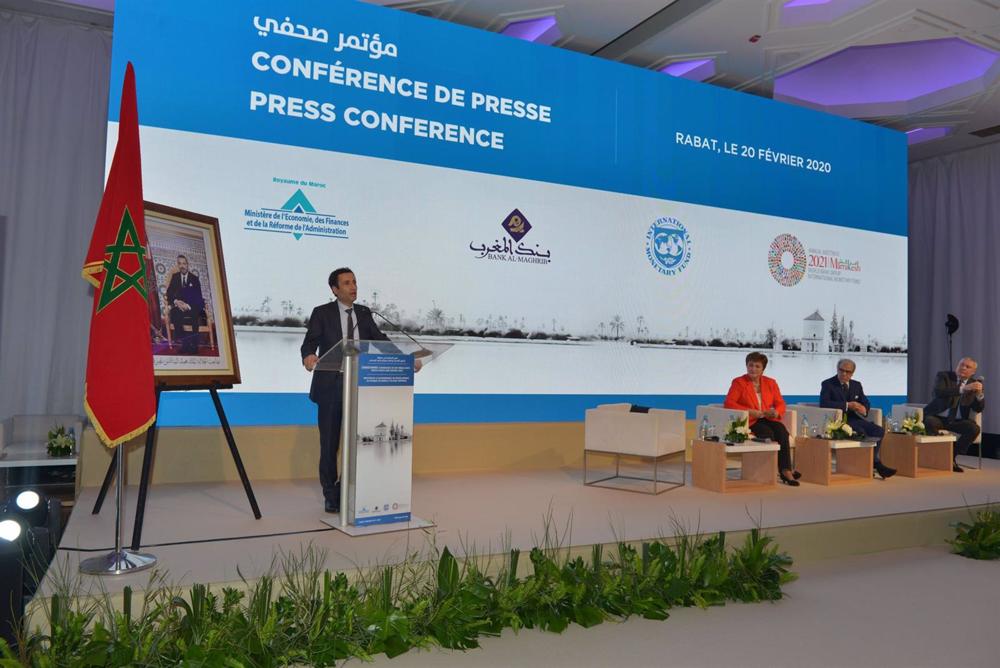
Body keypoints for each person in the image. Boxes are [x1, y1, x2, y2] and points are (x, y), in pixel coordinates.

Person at [300, 267, 390, 513]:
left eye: (355, 282)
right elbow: (310, 341)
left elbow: (380, 340)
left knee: (359, 441)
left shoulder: (363, 313)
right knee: (330, 444)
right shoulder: (322, 313)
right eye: (347, 283)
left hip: (360, 385)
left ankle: (347, 488)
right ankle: (330, 494)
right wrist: (308, 356)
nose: (353, 287)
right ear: (335, 289)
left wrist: (401, 359)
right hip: (331, 385)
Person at [724, 351, 800, 486]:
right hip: (750, 420)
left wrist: (776, 412)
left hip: (768, 418)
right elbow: (729, 403)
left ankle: (785, 470)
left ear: (763, 369)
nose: (753, 369)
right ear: (746, 366)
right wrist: (750, 412)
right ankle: (768, 471)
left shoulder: (771, 382)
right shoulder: (739, 382)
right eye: (750, 365)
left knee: (782, 431)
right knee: (768, 434)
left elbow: (780, 403)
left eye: (757, 366)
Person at [819, 358, 896, 479]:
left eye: (847, 372)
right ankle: (875, 464)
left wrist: (863, 408)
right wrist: (847, 405)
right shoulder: (828, 384)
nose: (844, 373)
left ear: (852, 373)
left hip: (855, 418)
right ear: (837, 369)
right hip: (839, 421)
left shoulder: (856, 385)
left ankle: (873, 462)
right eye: (841, 370)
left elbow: (865, 402)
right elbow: (824, 403)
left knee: (879, 430)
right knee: (861, 431)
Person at [923, 357, 984, 472]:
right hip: (939, 417)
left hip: (956, 421)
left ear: (973, 372)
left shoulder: (974, 384)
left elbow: (978, 408)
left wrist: (979, 394)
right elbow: (938, 393)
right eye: (961, 364)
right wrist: (962, 389)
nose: (963, 368)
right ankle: (935, 456)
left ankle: (950, 456)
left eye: (967, 367)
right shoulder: (944, 376)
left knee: (974, 428)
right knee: (929, 421)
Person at [165, 254, 206, 353]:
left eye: (184, 263)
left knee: (195, 315)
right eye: (180, 263)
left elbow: (198, 296)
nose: (182, 266)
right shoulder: (175, 277)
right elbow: (169, 293)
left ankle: (194, 346)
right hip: (179, 307)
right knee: (174, 313)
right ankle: (185, 344)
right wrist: (176, 302)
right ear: (178, 265)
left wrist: (188, 305)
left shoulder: (194, 278)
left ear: (188, 265)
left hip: (191, 307)